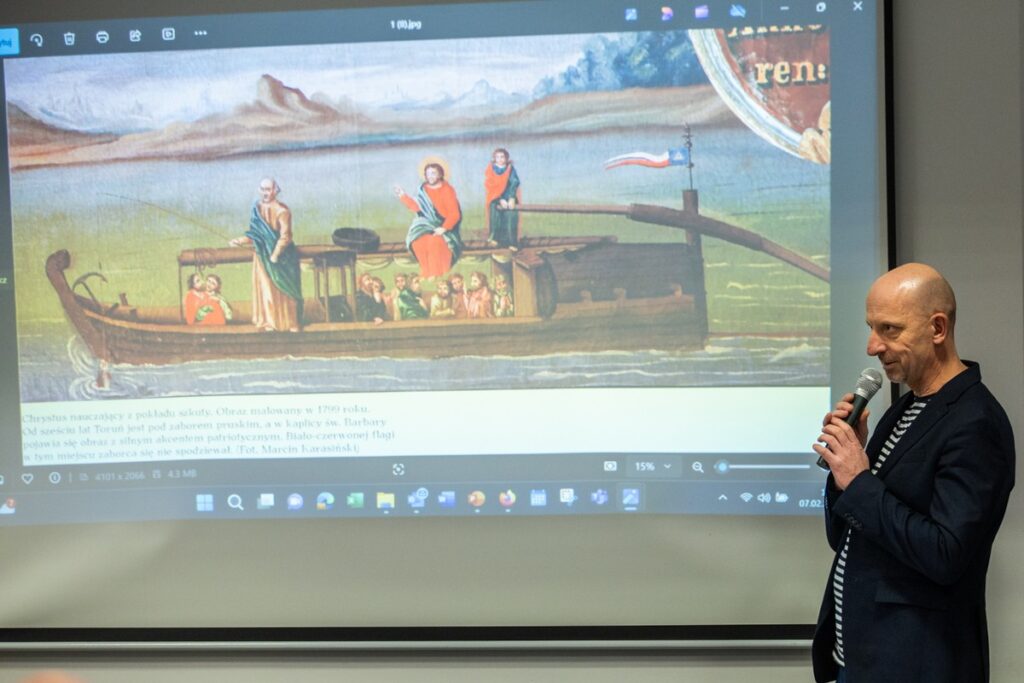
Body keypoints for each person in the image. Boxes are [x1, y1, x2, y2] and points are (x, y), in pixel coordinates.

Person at [811, 263, 1014, 683]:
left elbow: (945, 555)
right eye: (871, 327)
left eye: (889, 329)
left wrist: (860, 481)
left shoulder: (975, 422)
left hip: (917, 664)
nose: (872, 346)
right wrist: (843, 469)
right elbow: (846, 536)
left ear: (937, 328)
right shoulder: (903, 408)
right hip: (862, 661)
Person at [229, 177, 302, 332]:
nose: (265, 193)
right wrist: (240, 240)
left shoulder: (282, 211)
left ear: (275, 190)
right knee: (267, 290)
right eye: (263, 189)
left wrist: (275, 254)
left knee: (284, 289)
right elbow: (255, 235)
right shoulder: (257, 208)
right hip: (262, 256)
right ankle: (270, 323)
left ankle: (289, 323)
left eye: (268, 190)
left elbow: (286, 236)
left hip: (282, 258)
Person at [394, 161, 464, 279]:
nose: (430, 176)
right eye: (428, 174)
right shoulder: (423, 189)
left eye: (433, 173)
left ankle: (438, 274)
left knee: (434, 242)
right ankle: (427, 272)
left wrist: (443, 228)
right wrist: (403, 196)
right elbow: (417, 208)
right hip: (427, 225)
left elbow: (454, 214)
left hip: (446, 228)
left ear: (440, 175)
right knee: (417, 241)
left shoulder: (447, 190)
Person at [484, 147, 522, 250]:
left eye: (502, 157)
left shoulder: (510, 169)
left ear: (506, 158)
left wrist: (511, 198)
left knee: (510, 216)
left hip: (509, 196)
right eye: (497, 157)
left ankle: (511, 242)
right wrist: (500, 199)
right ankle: (495, 239)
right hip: (495, 197)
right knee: (496, 214)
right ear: (494, 158)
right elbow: (490, 185)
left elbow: (514, 182)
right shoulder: (491, 169)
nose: (500, 159)